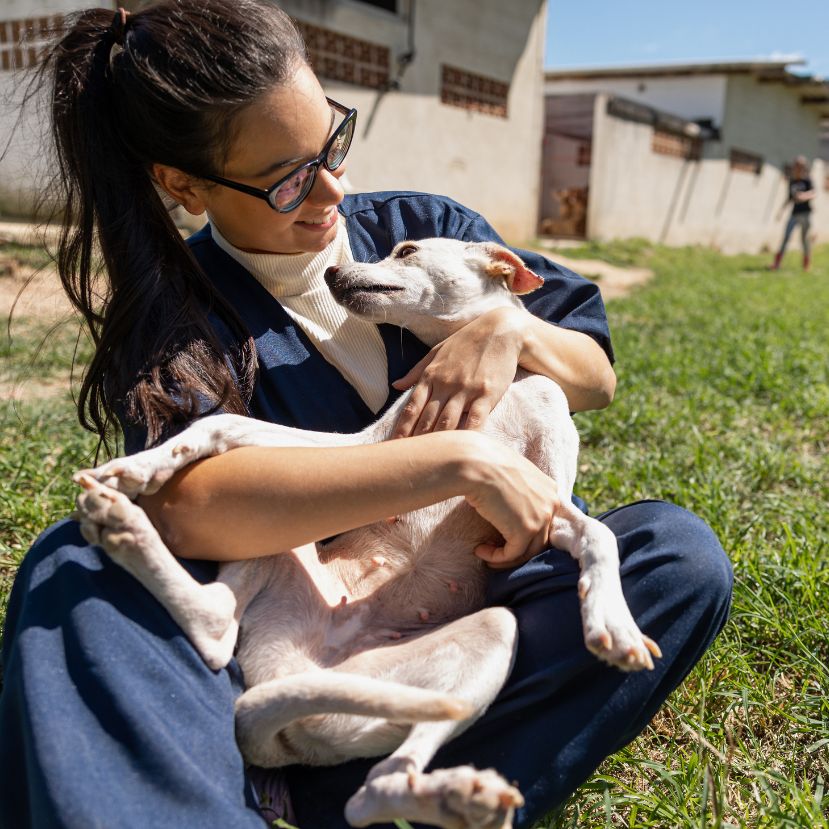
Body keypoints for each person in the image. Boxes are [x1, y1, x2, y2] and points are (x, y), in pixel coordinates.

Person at [0, 3, 733, 828]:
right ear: (184, 184)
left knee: (674, 557)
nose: (332, 190)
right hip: (288, 639)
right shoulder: (179, 310)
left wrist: (506, 325)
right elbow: (189, 505)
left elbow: (593, 373)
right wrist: (460, 461)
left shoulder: (424, 230)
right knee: (77, 568)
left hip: (452, 620)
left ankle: (371, 804)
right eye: (286, 178)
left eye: (331, 146)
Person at [771, 155, 815, 271]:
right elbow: (789, 198)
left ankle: (806, 264)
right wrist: (781, 211)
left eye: (801, 166)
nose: (798, 168)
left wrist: (803, 196)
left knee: (804, 239)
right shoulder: (792, 181)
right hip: (794, 214)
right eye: (797, 165)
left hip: (805, 214)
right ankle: (776, 263)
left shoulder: (807, 180)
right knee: (785, 237)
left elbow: (813, 193)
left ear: (804, 167)